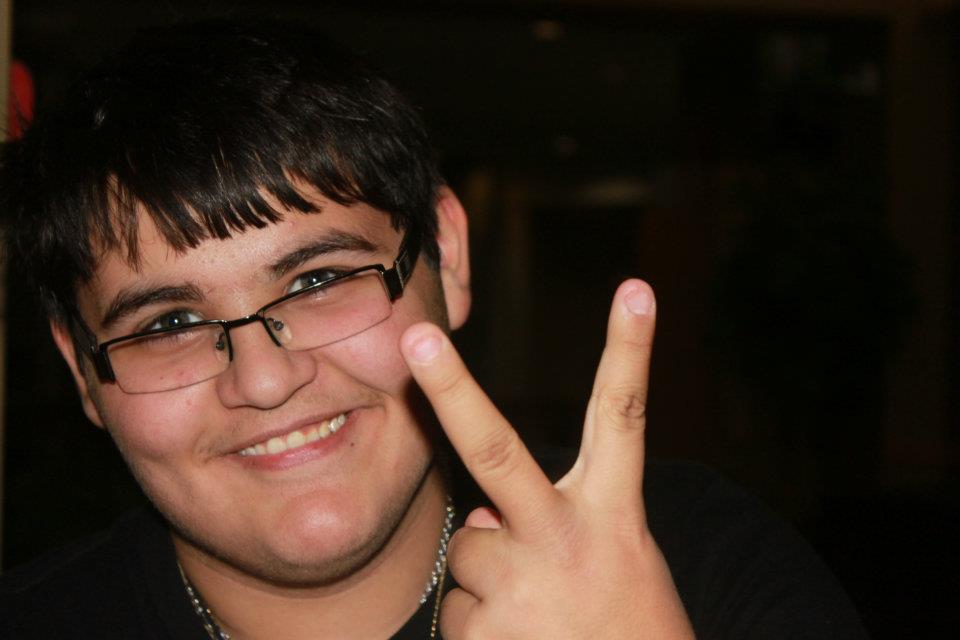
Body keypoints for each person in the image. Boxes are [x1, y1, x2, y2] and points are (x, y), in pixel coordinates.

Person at [0, 20, 868, 639]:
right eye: (172, 322)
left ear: (446, 258)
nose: (263, 380)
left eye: (318, 280)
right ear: (81, 369)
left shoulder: (697, 564)